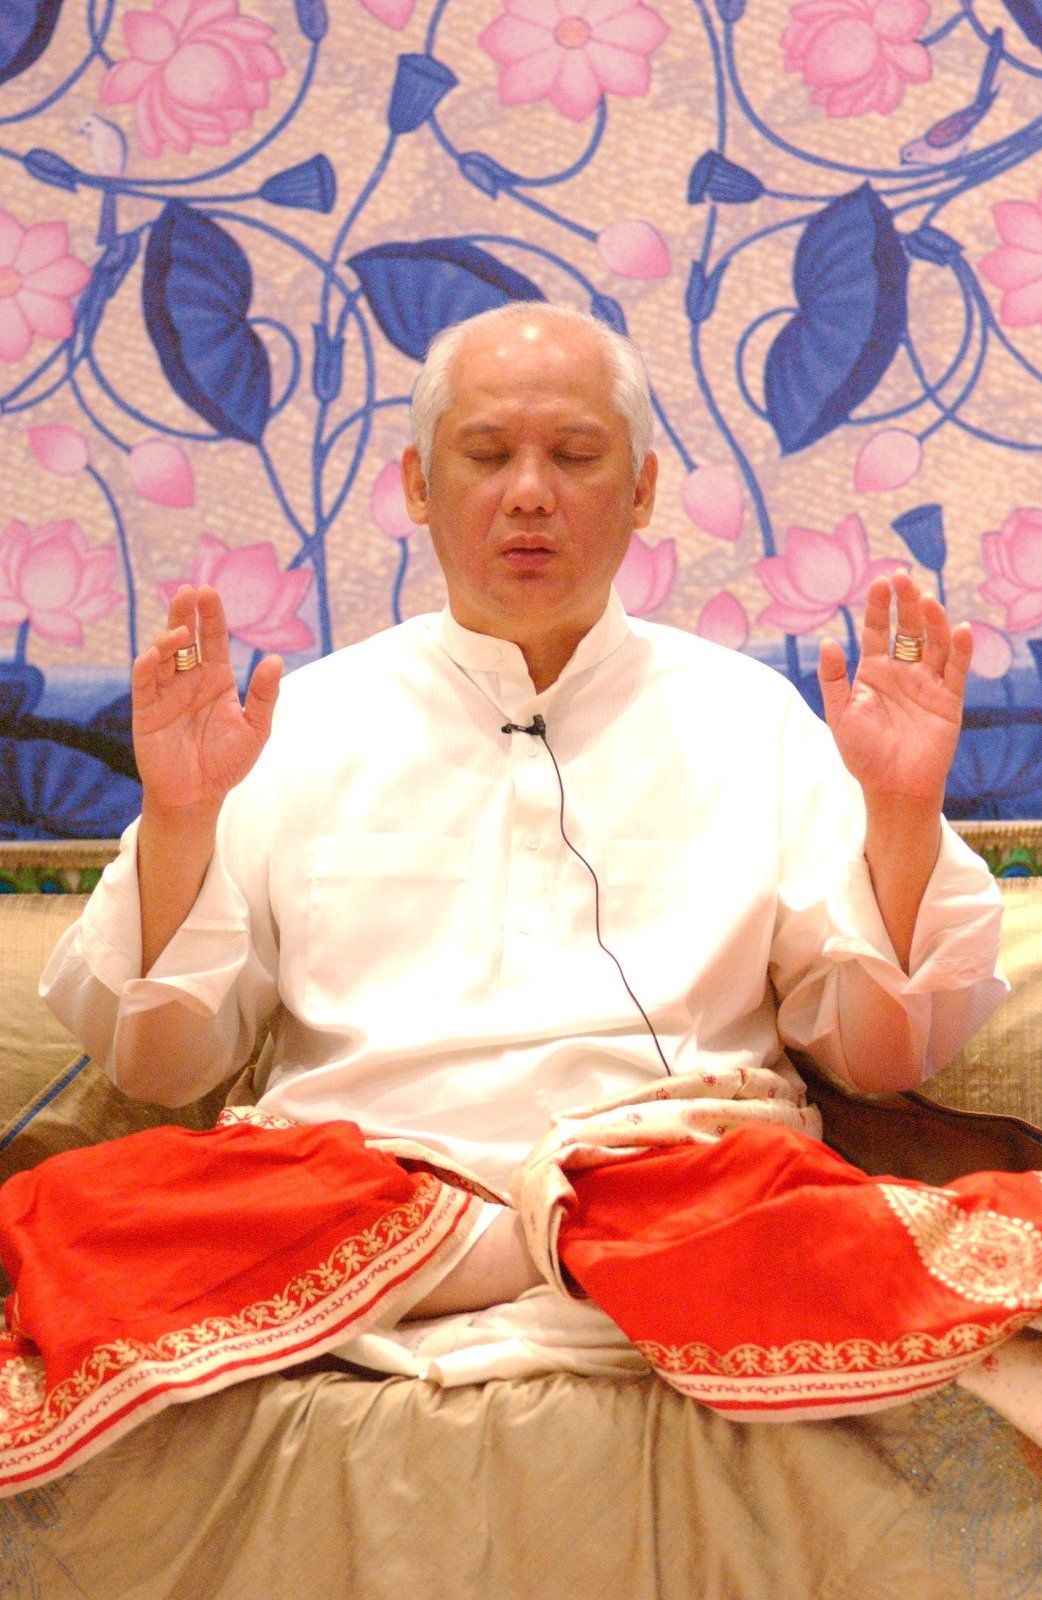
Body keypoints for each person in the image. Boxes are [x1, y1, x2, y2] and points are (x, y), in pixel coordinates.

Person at [39, 302, 1006, 1351]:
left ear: (641, 489)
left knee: (945, 1223)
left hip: (668, 1184)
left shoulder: (748, 717)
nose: (531, 493)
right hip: (357, 1190)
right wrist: (180, 818)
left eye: (577, 456)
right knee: (61, 1218)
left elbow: (876, 1057)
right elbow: (164, 1068)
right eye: (488, 454)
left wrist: (902, 811)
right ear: (419, 484)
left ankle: (503, 1255)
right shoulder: (305, 720)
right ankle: (539, 1252)